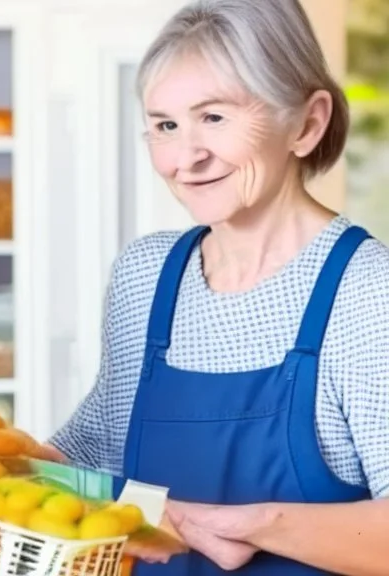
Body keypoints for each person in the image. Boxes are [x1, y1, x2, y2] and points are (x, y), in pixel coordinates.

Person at [47, 1, 389, 574]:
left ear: (306, 124)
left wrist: (255, 527)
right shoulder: (146, 275)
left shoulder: (366, 292)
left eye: (215, 118)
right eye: (165, 125)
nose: (187, 157)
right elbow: (98, 451)